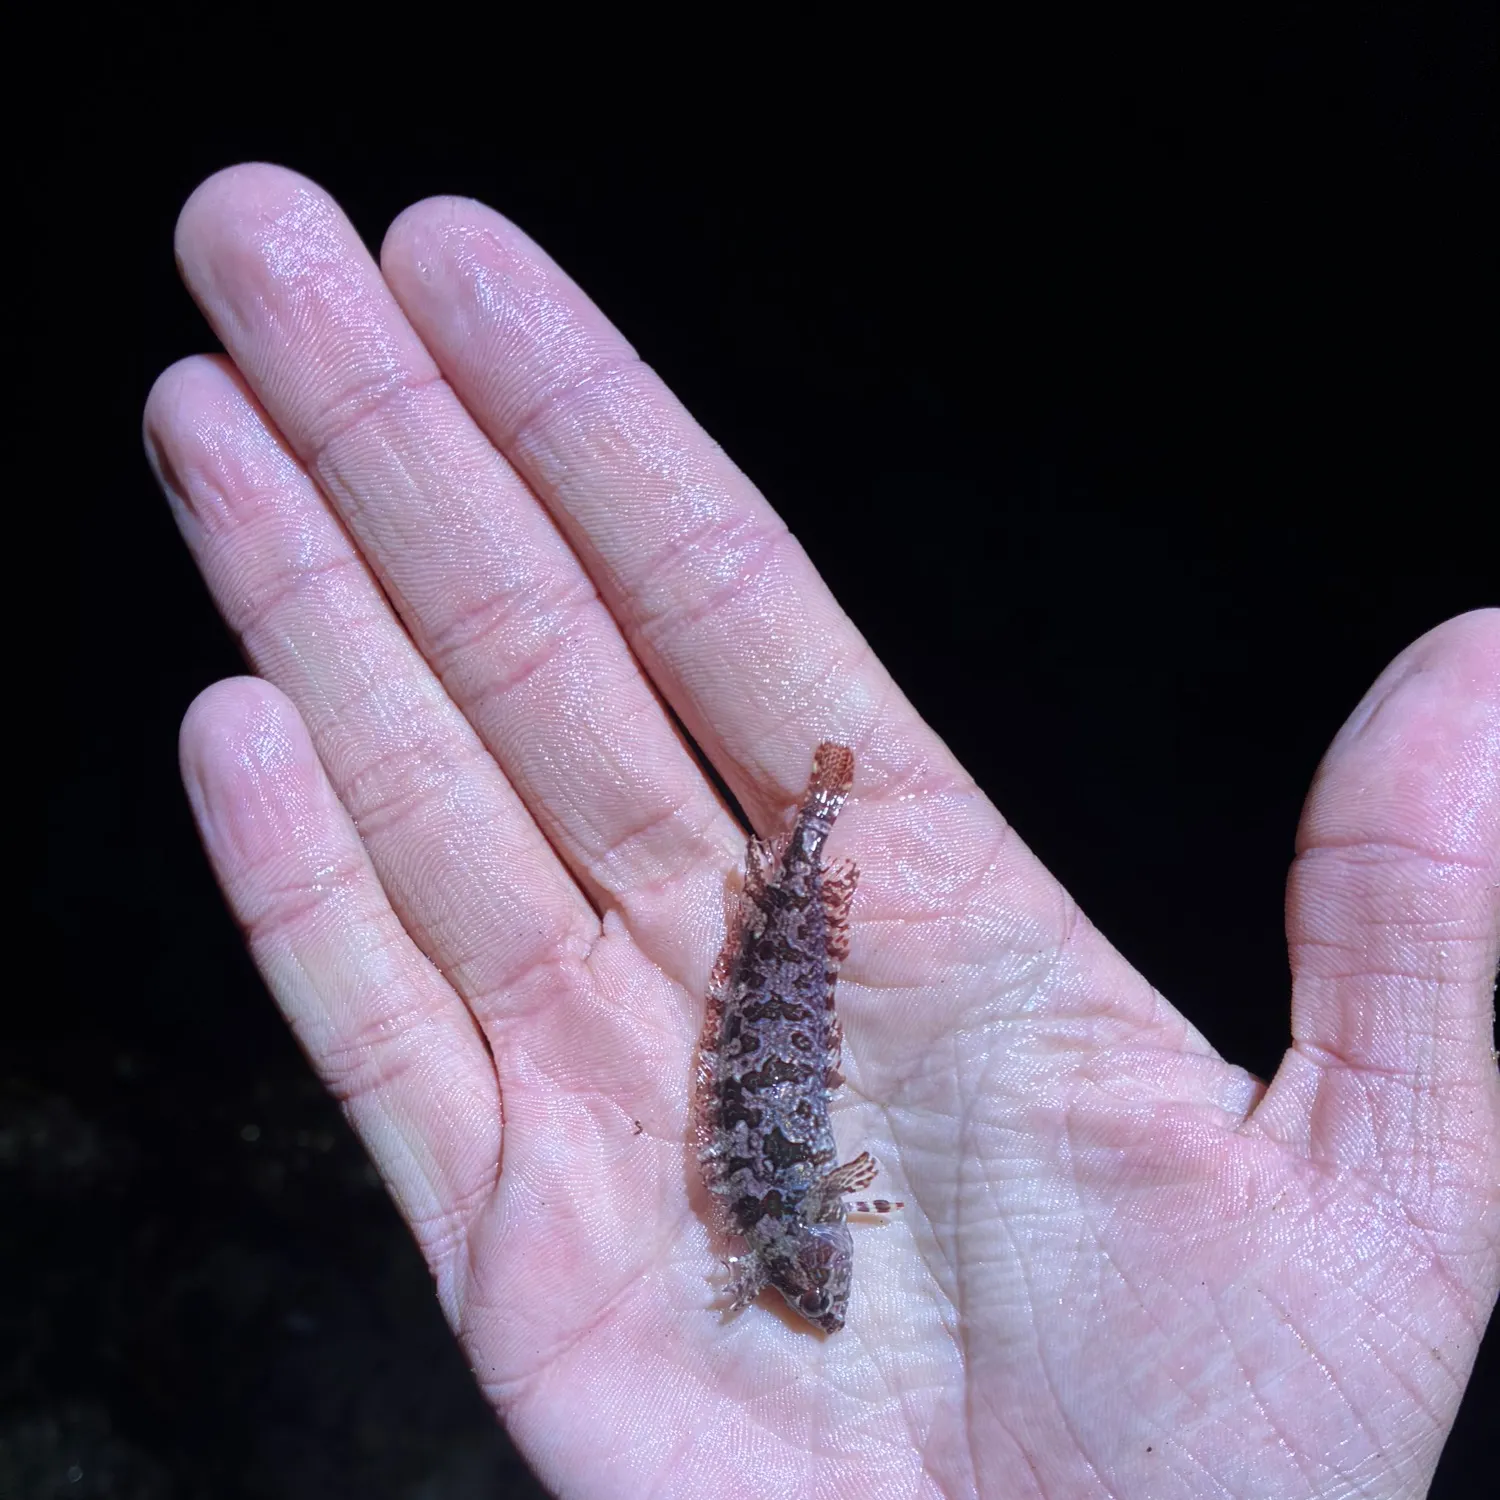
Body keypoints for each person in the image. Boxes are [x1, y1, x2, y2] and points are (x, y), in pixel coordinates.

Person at [144, 164, 1499, 1498]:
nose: (819, 1279)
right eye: (809, 1272)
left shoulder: (784, 1210)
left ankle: (810, 831)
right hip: (775, 1049)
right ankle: (809, 834)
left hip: (773, 1047)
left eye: (803, 1272)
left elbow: (762, 1101)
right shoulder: (784, 1212)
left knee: (773, 962)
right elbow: (766, 1109)